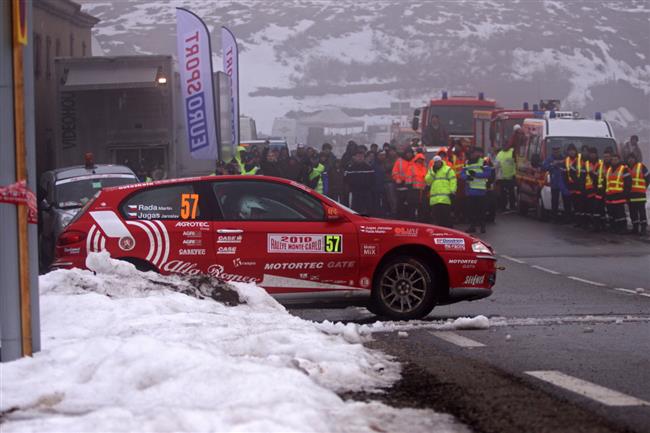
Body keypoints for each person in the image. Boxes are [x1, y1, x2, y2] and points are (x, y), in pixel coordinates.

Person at [461, 147, 492, 233]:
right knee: (471, 211)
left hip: (480, 191)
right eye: (471, 153)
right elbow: (462, 174)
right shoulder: (466, 163)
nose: (473, 155)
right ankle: (472, 226)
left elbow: (488, 173)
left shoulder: (483, 161)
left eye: (474, 153)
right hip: (470, 190)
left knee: (481, 210)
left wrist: (476, 174)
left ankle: (482, 226)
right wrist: (467, 177)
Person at [425, 155, 456, 227]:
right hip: (435, 200)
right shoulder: (431, 170)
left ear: (441, 161)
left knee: (446, 218)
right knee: (437, 218)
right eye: (435, 162)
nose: (437, 164)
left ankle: (449, 232)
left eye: (438, 162)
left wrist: (452, 191)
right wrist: (433, 173)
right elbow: (427, 181)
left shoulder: (447, 169)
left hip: (445, 198)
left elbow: (453, 180)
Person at [604, 153, 631, 233]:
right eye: (613, 159)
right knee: (612, 214)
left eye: (616, 159)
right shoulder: (609, 169)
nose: (614, 161)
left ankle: (622, 228)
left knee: (620, 214)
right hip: (610, 196)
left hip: (619, 196)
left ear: (619, 160)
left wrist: (624, 194)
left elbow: (628, 183)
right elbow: (606, 182)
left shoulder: (623, 169)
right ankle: (614, 228)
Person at [543, 144, 570, 223]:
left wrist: (561, 162)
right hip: (555, 181)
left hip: (564, 181)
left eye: (557, 150)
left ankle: (567, 217)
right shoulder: (549, 158)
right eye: (554, 150)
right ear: (552, 151)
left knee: (566, 200)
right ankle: (554, 217)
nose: (556, 152)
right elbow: (544, 167)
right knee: (554, 200)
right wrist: (552, 164)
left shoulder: (564, 158)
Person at [344, 148, 374, 214]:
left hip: (366, 192)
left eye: (362, 156)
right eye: (358, 156)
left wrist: (369, 188)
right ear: (354, 157)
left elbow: (372, 180)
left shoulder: (369, 168)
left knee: (368, 209)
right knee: (355, 210)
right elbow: (346, 180)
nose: (360, 158)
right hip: (355, 193)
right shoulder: (350, 168)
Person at [626, 152, 649, 235]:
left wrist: (644, 187)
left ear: (635, 159)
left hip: (640, 194)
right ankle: (635, 228)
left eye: (632, 158)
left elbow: (648, 178)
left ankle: (643, 228)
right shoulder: (625, 168)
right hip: (630, 194)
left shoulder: (641, 166)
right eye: (629, 158)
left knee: (641, 212)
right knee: (633, 212)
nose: (630, 160)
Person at [584, 147, 605, 231]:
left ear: (596, 154)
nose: (592, 155)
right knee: (591, 208)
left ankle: (600, 225)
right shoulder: (586, 164)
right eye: (591, 153)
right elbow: (582, 176)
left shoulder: (601, 163)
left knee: (599, 208)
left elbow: (604, 175)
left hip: (599, 189)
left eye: (594, 153)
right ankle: (593, 224)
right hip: (588, 189)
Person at [564, 143, 585, 226]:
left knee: (580, 205)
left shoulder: (580, 160)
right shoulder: (566, 160)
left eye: (573, 150)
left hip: (579, 185)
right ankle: (575, 220)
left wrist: (580, 183)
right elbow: (564, 173)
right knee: (573, 205)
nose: (572, 152)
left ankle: (580, 221)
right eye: (570, 151)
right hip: (570, 186)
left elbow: (583, 172)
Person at [391, 147, 415, 220]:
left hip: (412, 187)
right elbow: (394, 173)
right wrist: (398, 179)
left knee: (411, 204)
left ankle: (411, 219)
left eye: (410, 153)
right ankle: (401, 219)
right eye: (407, 153)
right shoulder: (399, 161)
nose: (409, 154)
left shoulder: (415, 161)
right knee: (400, 204)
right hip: (401, 186)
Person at [495, 135, 517, 211]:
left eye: (506, 144)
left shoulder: (512, 152)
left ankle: (512, 206)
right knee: (502, 194)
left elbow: (517, 162)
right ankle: (503, 207)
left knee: (512, 193)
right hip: (502, 178)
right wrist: (497, 177)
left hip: (511, 177)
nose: (504, 146)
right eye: (503, 145)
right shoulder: (499, 154)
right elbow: (496, 166)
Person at [410, 153, 429, 221]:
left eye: (422, 159)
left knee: (423, 206)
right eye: (419, 159)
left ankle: (422, 219)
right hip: (414, 190)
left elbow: (427, 178)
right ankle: (414, 220)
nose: (420, 161)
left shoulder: (425, 168)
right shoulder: (412, 167)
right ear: (416, 159)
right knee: (415, 206)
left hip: (423, 190)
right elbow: (409, 178)